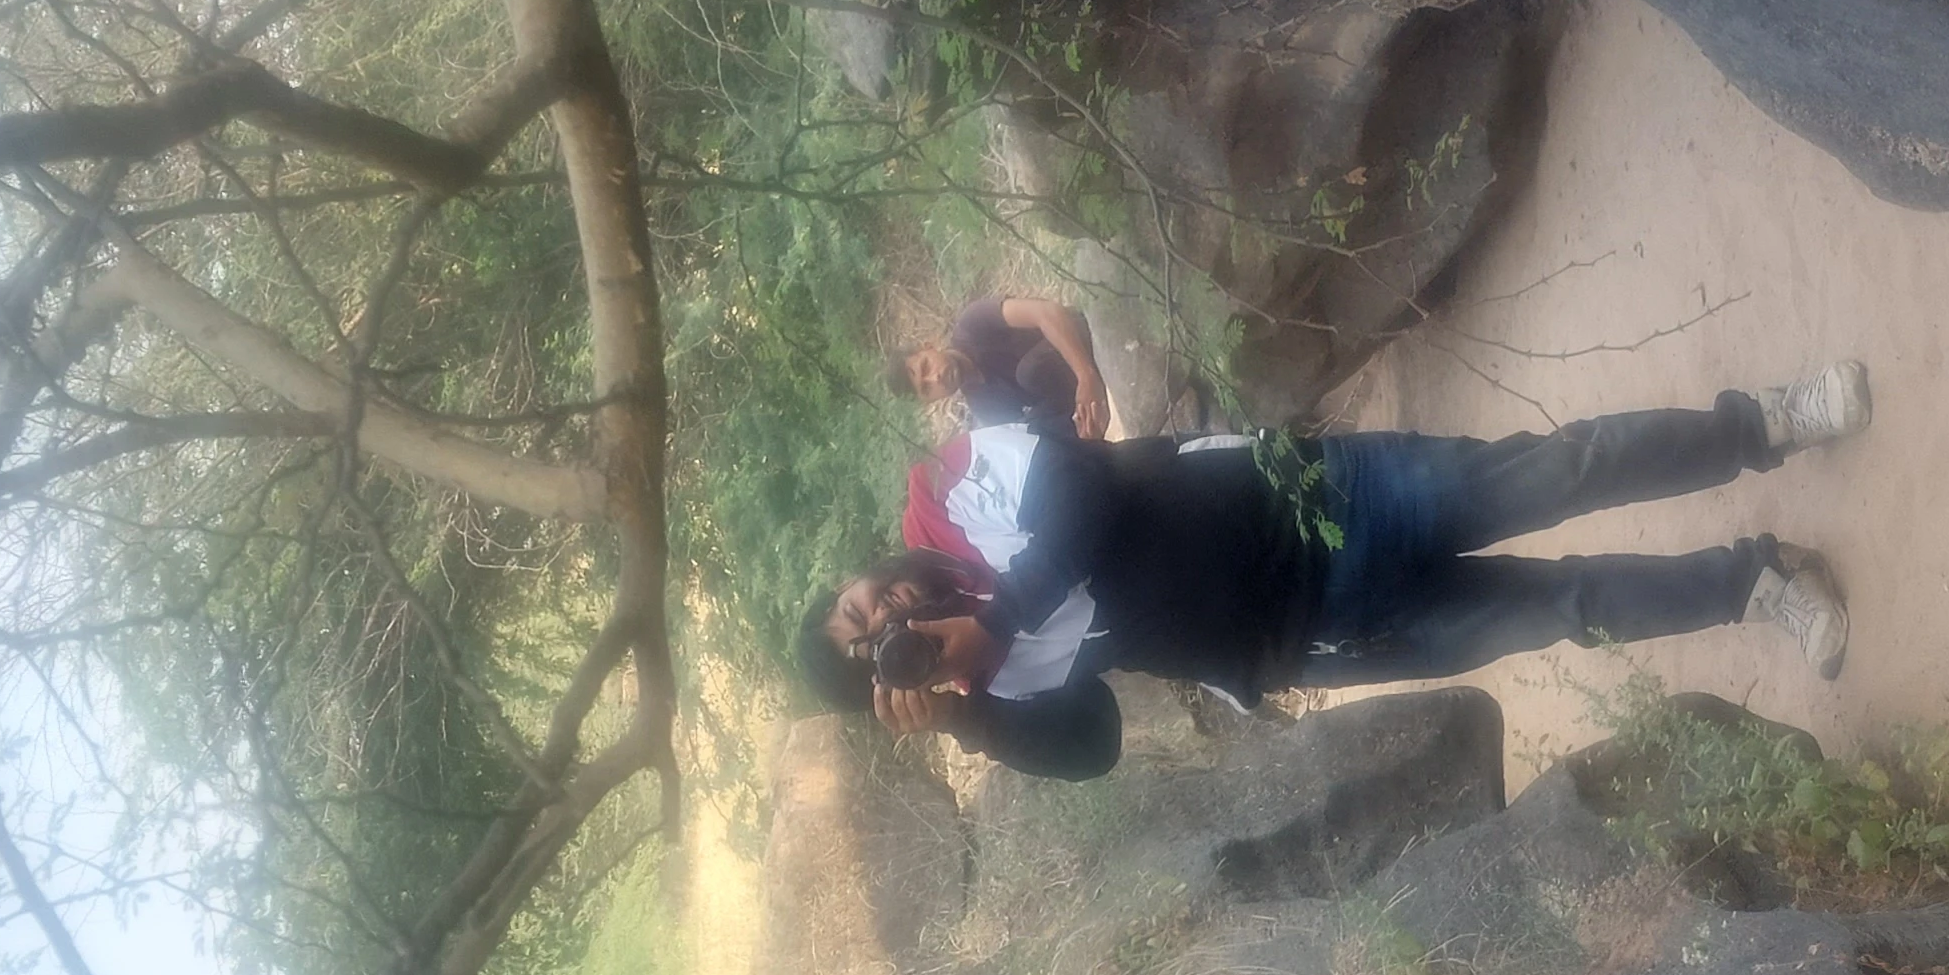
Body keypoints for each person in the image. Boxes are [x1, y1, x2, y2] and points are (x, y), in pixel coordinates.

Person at [800, 364, 1868, 779]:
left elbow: (1081, 492)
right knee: (1561, 608)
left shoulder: (952, 492)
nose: (887, 616)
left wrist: (1002, 615)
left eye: (860, 603)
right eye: (874, 649)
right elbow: (1094, 747)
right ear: (890, 686)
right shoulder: (988, 693)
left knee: (1551, 474)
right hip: (1307, 634)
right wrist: (965, 717)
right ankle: (1755, 584)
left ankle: (1759, 426)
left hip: (1305, 498)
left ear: (865, 570)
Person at [896, 293, 1112, 441]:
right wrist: (1085, 437)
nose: (935, 378)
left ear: (928, 347)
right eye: (927, 388)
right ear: (932, 401)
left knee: (1029, 373)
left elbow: (1047, 312)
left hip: (1079, 342)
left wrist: (1086, 375)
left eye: (926, 366)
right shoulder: (984, 407)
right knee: (1034, 430)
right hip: (1076, 393)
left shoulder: (973, 323)